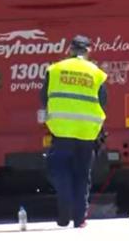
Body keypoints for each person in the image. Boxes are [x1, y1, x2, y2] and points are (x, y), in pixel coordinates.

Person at [40, 35, 108, 228]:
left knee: (59, 171)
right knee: (82, 174)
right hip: (87, 132)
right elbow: (103, 100)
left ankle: (64, 214)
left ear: (69, 50)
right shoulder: (96, 73)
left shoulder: (55, 69)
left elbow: (43, 98)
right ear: (88, 51)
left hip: (61, 130)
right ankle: (79, 219)